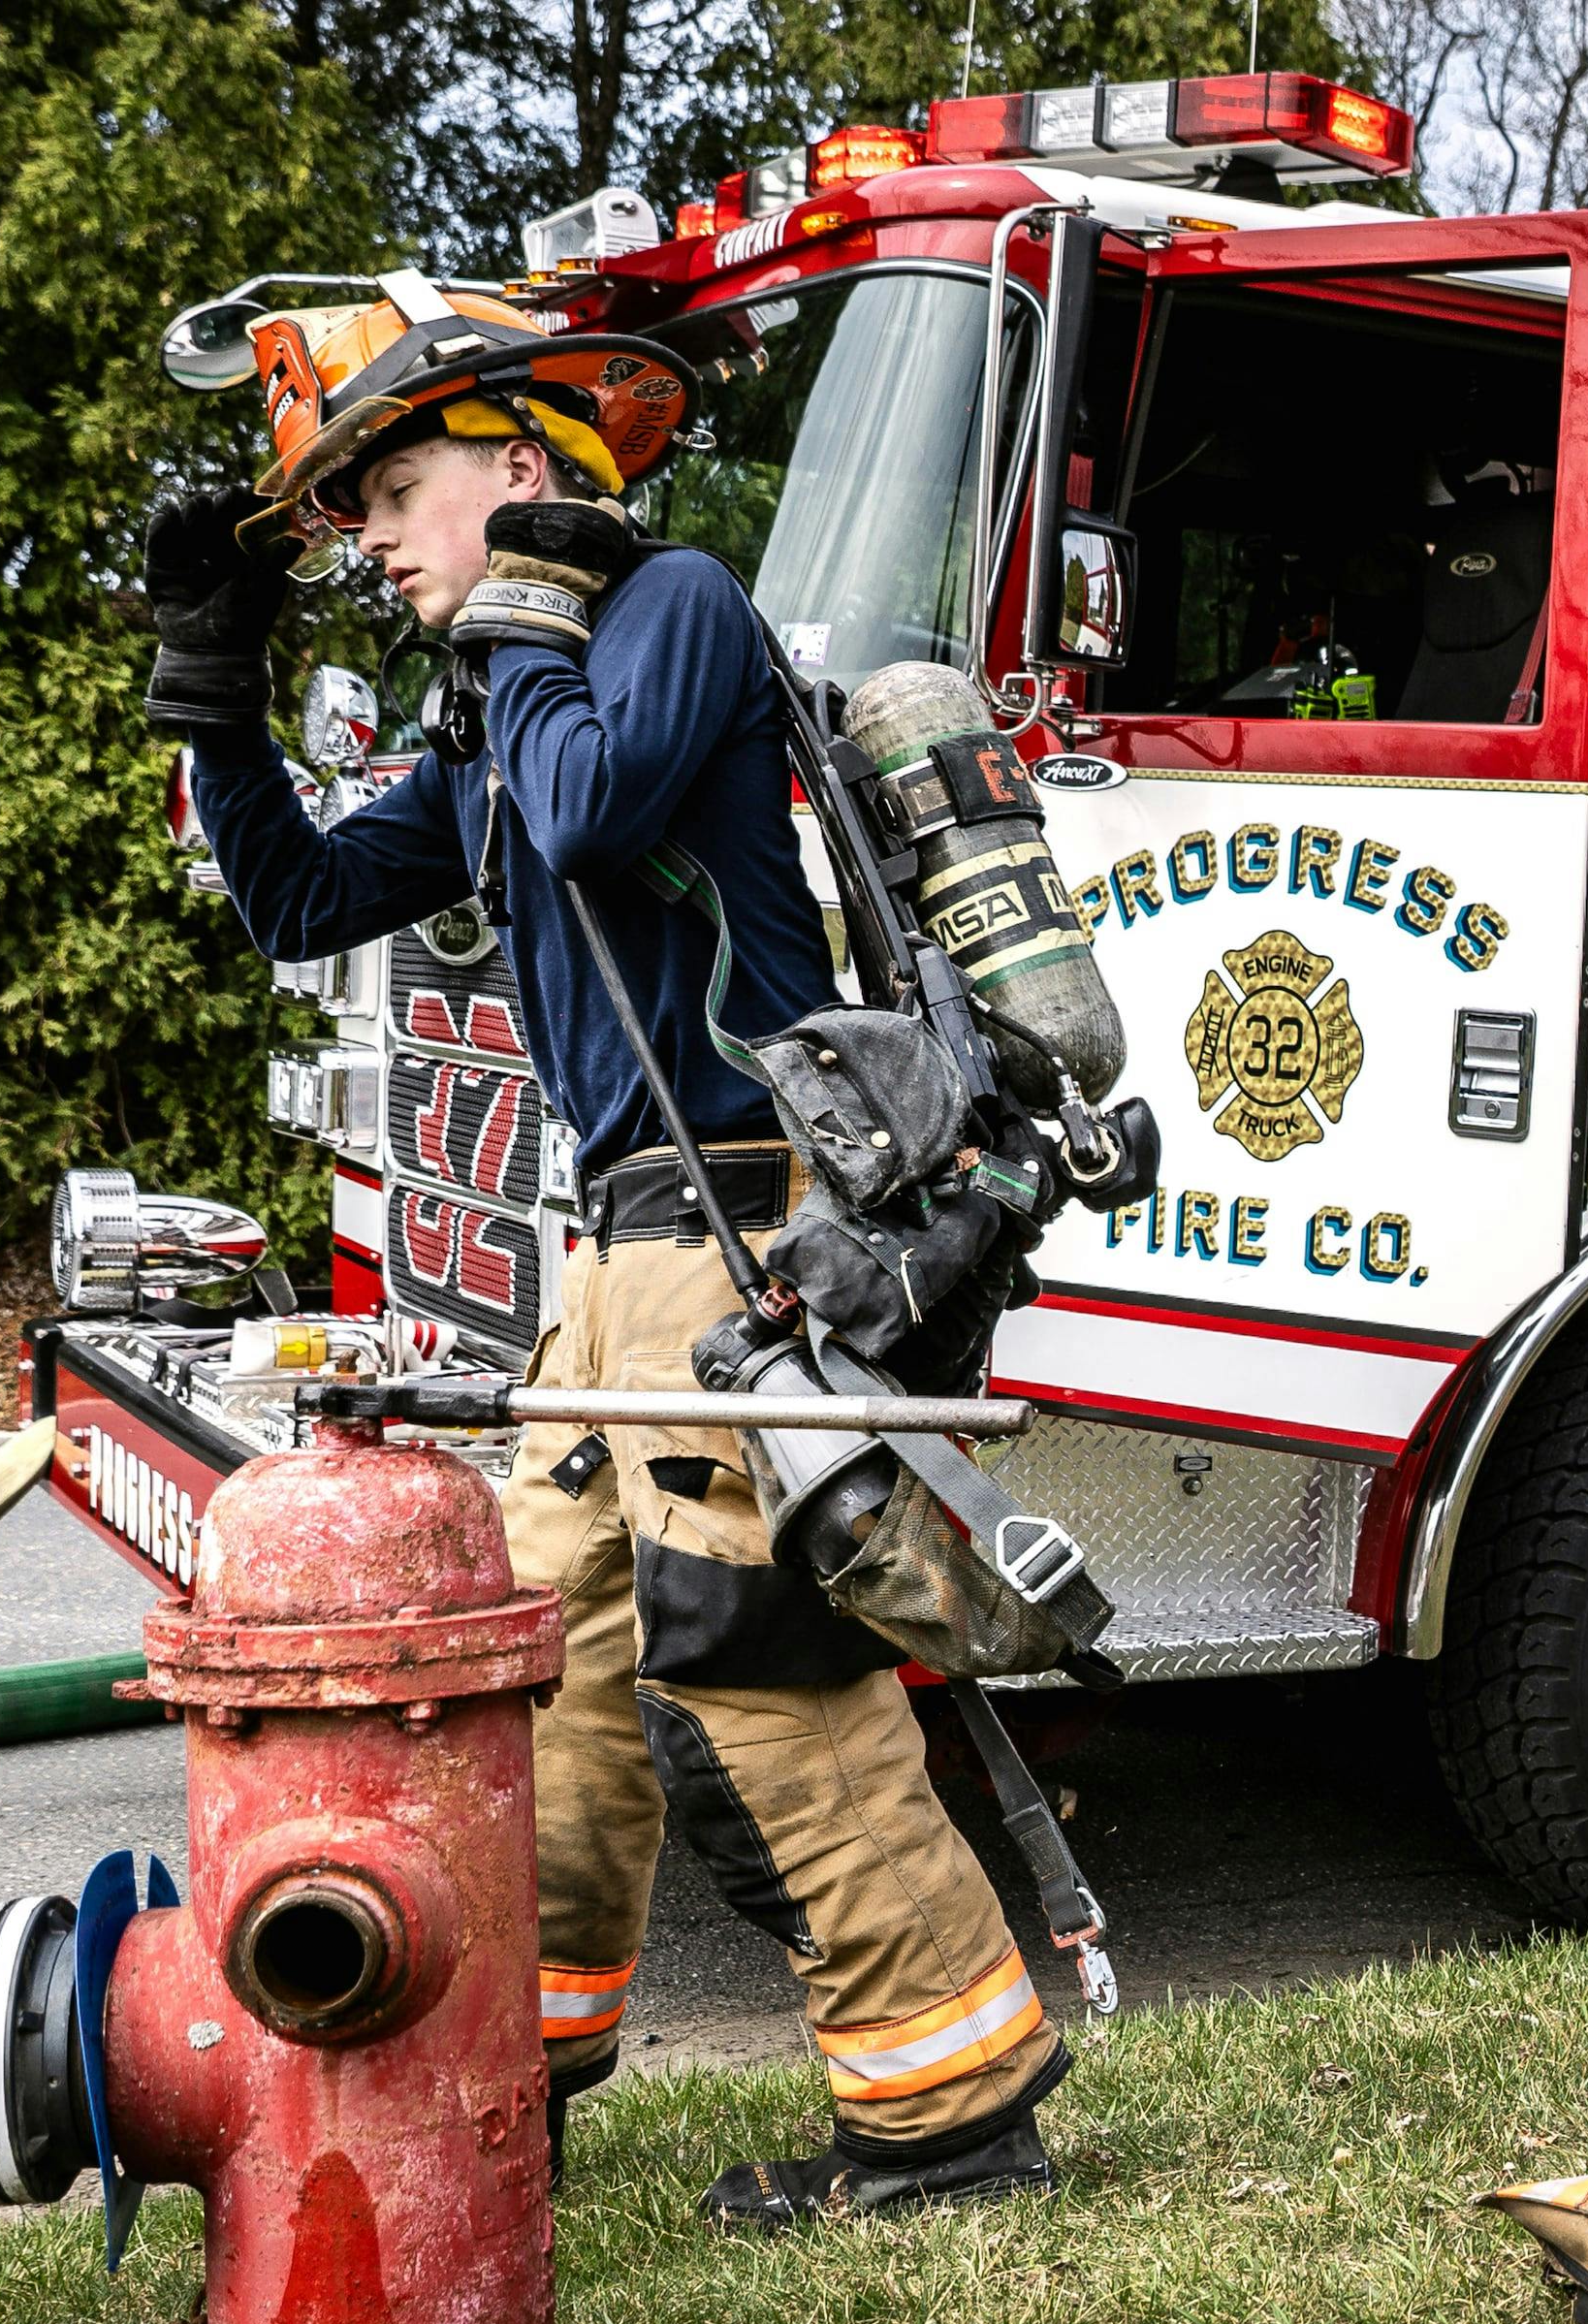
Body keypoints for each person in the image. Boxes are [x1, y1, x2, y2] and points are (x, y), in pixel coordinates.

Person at [143, 280, 1065, 2224]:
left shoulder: (670, 612)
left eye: (390, 491)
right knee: (543, 1679)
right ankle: (508, 2078)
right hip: (620, 1259)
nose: (371, 544)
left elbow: (585, 808)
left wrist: (534, 609)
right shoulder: (503, 691)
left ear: (512, 452)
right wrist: (211, 701)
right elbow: (302, 896)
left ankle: (952, 2116)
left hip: (746, 1226)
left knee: (756, 1681)